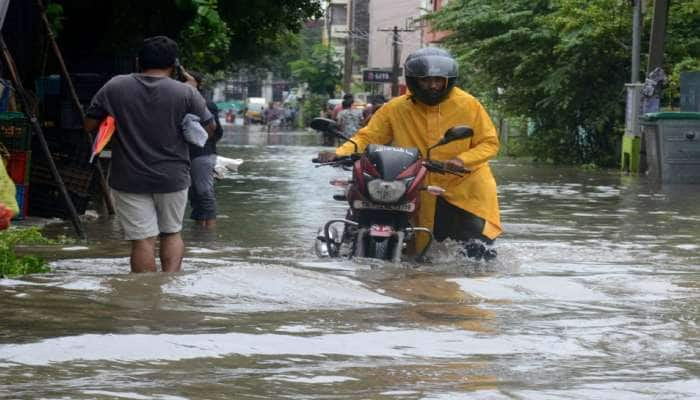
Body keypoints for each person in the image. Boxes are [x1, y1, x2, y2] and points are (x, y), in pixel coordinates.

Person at [318, 48, 501, 260]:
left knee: (477, 251)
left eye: (439, 80)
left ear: (448, 81)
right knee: (417, 254)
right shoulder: (395, 108)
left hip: (465, 186)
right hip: (414, 184)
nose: (433, 85)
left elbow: (489, 142)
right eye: (426, 80)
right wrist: (339, 153)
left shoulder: (469, 105)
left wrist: (461, 160)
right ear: (413, 81)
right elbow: (367, 138)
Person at [84, 36, 215, 273]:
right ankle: (169, 286)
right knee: (172, 233)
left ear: (137, 62)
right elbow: (209, 128)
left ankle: (143, 299)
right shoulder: (186, 93)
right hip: (173, 176)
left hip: (128, 177)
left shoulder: (115, 86)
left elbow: (90, 125)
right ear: (174, 65)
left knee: (143, 241)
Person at [187, 71, 224, 228]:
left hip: (202, 154)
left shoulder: (205, 104)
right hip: (188, 154)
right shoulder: (182, 101)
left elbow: (217, 131)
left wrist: (205, 144)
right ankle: (200, 235)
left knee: (204, 192)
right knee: (194, 194)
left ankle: (209, 233)